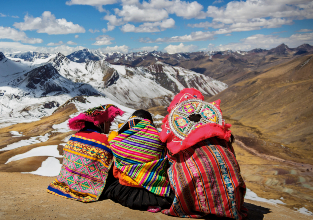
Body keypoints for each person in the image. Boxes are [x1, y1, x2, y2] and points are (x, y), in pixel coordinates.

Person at [159, 88, 248, 219]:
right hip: (233, 201)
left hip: (193, 198)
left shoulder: (175, 131)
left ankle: (193, 202)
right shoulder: (218, 129)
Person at [47, 104, 124, 202]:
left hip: (64, 183)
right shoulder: (104, 142)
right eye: (108, 122)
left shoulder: (74, 137)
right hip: (90, 190)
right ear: (101, 123)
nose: (110, 125)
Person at [101, 109, 174, 212]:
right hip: (155, 188)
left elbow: (115, 170)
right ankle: (152, 202)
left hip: (126, 189)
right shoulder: (159, 139)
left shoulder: (119, 140)